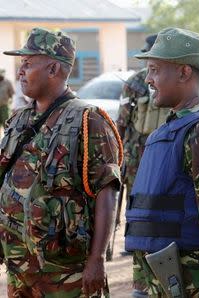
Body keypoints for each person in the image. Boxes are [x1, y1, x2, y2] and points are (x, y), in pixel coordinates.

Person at [0, 27, 122, 297]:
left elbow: (107, 192)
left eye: (28, 63)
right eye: (21, 63)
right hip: (20, 266)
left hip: (65, 271)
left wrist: (97, 259)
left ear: (53, 69)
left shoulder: (89, 121)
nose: (20, 71)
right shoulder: (19, 120)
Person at [125, 27, 199, 297]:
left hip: (189, 285)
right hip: (155, 283)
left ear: (184, 72)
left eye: (155, 69)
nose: (148, 79)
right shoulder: (167, 131)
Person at [116, 33, 170, 298]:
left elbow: (122, 120)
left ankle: (135, 242)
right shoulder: (155, 80)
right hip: (156, 152)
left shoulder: (134, 82)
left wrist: (120, 150)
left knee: (136, 200)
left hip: (138, 153)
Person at [0, 69, 14, 136]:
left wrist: (11, 104)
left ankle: (7, 142)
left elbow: (12, 95)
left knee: (6, 125)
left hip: (4, 107)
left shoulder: (7, 82)